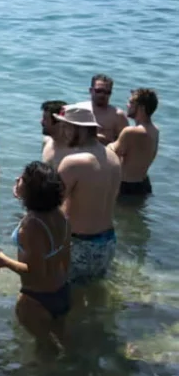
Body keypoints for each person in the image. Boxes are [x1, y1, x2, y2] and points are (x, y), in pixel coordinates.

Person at [0, 161, 71, 336]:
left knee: (43, 351)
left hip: (36, 298)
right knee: (63, 342)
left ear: (31, 190)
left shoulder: (32, 226)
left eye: (22, 179)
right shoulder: (60, 215)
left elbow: (35, 273)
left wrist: (3, 261)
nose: (17, 180)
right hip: (62, 290)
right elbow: (66, 257)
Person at [53, 105, 121, 285]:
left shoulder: (73, 163)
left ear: (79, 128)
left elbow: (50, 206)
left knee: (64, 295)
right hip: (107, 242)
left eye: (66, 126)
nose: (64, 132)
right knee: (94, 293)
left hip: (80, 244)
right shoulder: (113, 157)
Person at [112, 88, 160, 197]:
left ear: (141, 108)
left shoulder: (130, 132)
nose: (127, 105)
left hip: (125, 187)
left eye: (131, 102)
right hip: (144, 185)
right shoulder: (155, 130)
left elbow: (112, 154)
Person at [87, 73, 129, 145]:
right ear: (91, 90)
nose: (102, 95)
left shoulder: (118, 116)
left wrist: (104, 140)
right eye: (98, 91)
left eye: (107, 92)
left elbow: (127, 144)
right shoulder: (80, 110)